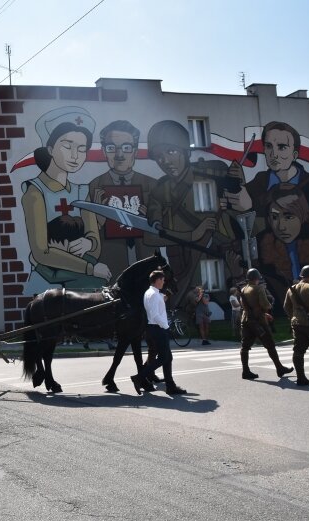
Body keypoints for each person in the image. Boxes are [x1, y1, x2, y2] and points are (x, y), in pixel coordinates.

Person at [144, 120, 239, 300]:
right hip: (181, 259)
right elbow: (152, 229)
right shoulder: (161, 189)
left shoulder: (211, 173)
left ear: (186, 151)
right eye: (158, 156)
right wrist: (192, 235)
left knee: (220, 293)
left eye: (171, 151)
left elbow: (235, 190)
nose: (165, 161)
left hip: (217, 250)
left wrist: (235, 181)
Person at [21, 108, 110, 293]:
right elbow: (42, 253)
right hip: (48, 286)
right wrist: (91, 269)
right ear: (51, 149)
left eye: (82, 149)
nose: (75, 156)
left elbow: (95, 245)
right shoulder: (35, 192)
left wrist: (89, 243)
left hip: (83, 284)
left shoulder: (82, 191)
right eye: (68, 146)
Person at [89, 120, 156, 277]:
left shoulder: (152, 185)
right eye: (112, 148)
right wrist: (97, 220)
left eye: (126, 148)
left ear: (135, 151)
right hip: (112, 259)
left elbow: (166, 227)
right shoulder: (95, 185)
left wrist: (152, 221)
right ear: (104, 151)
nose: (119, 155)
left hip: (146, 259)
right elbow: (89, 230)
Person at [130, 270, 187, 396]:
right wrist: (166, 326)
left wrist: (165, 297)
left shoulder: (150, 293)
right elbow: (155, 314)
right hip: (158, 329)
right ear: (157, 280)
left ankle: (170, 386)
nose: (164, 281)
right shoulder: (154, 295)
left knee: (168, 357)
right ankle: (139, 377)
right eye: (162, 279)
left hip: (153, 329)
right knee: (163, 358)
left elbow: (157, 304)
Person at [239, 268, 293, 380]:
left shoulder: (243, 289)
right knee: (270, 345)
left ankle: (245, 371)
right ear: (257, 278)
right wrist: (269, 306)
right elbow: (265, 304)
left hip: (246, 320)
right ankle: (279, 368)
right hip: (258, 322)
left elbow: (245, 306)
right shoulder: (259, 288)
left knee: (245, 346)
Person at [283, 265, 309, 386]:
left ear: (302, 276)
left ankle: (301, 378)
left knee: (298, 352)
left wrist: (293, 316)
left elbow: (286, 307)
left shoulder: (291, 289)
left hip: (297, 324)